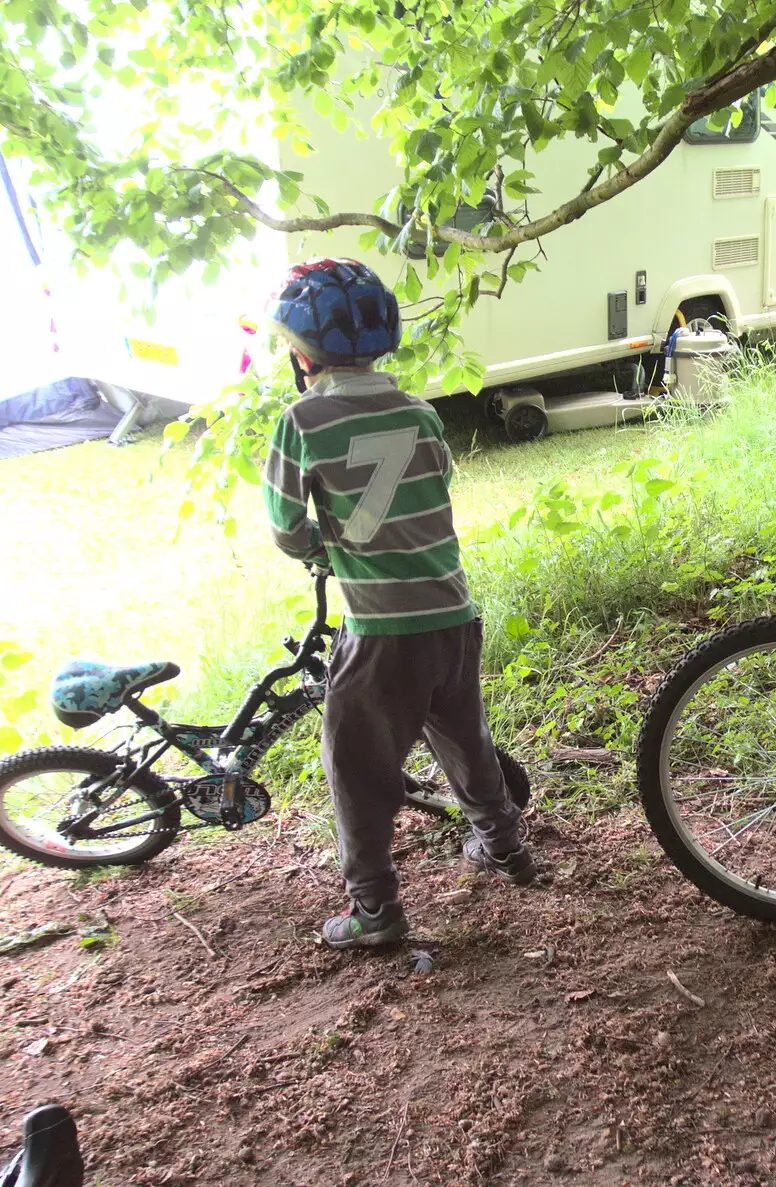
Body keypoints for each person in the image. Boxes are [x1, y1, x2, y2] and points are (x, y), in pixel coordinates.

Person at [261, 258, 536, 950]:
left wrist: (325, 552)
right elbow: (435, 488)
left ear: (302, 355)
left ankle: (376, 912)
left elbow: (290, 528)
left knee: (357, 767)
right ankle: (506, 850)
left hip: (380, 629)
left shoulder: (302, 419)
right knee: (464, 738)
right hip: (452, 611)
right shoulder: (419, 412)